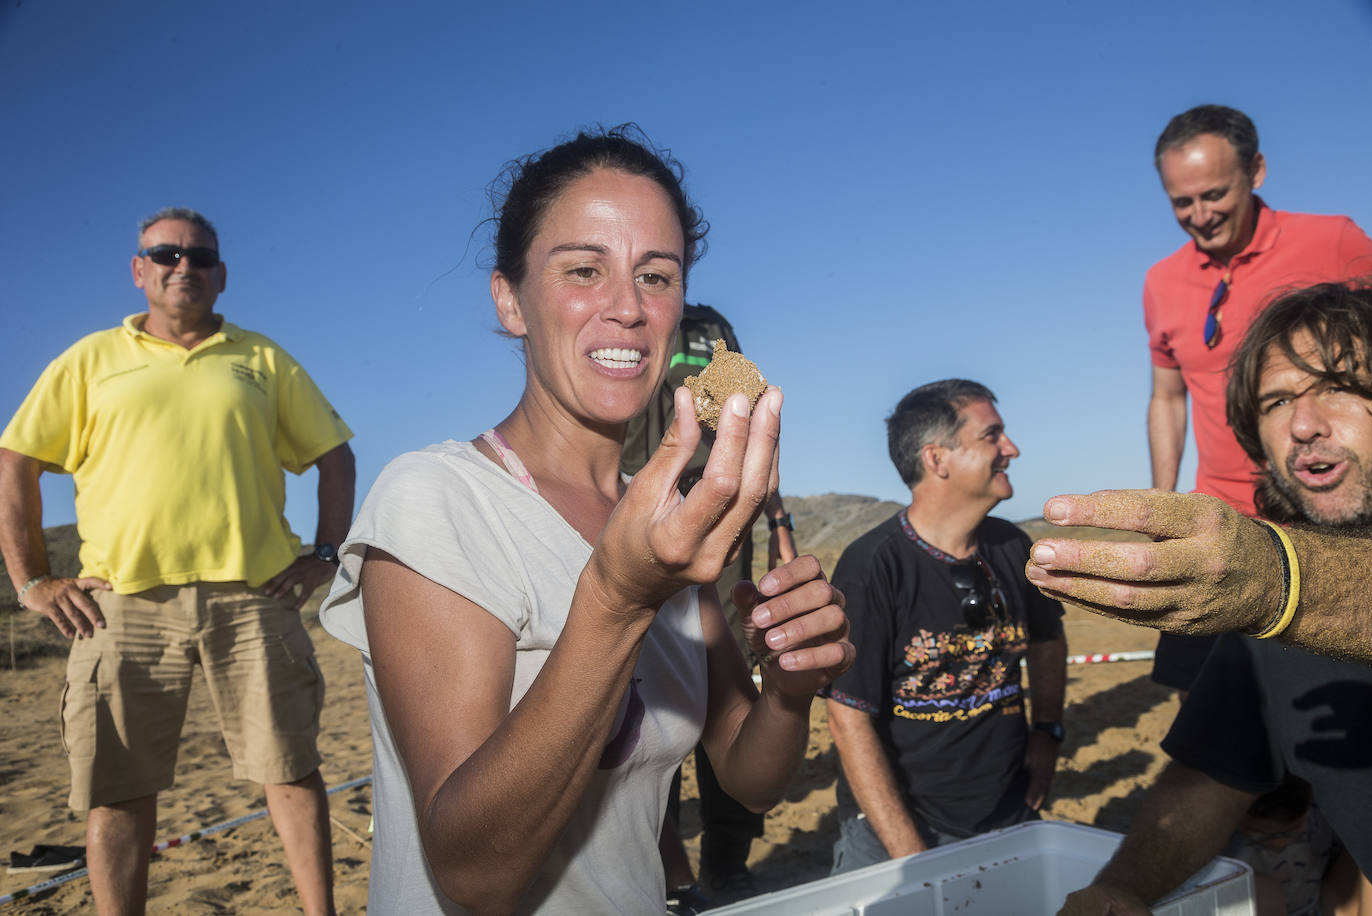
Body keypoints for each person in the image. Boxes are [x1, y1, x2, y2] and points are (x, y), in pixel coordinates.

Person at [318, 127, 853, 915]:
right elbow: (473, 875)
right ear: (510, 300)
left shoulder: (668, 515)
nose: (629, 309)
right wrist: (617, 598)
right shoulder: (437, 500)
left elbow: (748, 775)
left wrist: (789, 692)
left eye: (657, 276)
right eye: (582, 270)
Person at [0, 207, 354, 915]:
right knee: (117, 790)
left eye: (199, 256)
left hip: (253, 598)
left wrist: (323, 555)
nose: (182, 266)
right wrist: (34, 580)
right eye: (164, 254)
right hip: (120, 603)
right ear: (139, 271)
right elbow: (16, 462)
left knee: (291, 771)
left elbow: (335, 456)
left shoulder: (263, 360)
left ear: (221, 275)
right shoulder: (88, 360)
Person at [1056, 282, 1372, 915]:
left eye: (1337, 385)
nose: (1305, 424)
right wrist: (1124, 886)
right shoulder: (1259, 610)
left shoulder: (1270, 582)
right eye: (1278, 400)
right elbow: (1211, 776)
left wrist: (1279, 580)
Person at [1142, 104, 1372, 692]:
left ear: (1258, 171)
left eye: (1214, 194)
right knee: (1202, 708)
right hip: (1217, 517)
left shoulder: (1335, 241)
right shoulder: (1160, 281)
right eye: (1180, 202)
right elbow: (1168, 398)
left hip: (1321, 523)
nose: (1199, 215)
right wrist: (1162, 503)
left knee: (1319, 707)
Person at [823, 380, 1066, 874]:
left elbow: (1047, 639)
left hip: (1009, 817)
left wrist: (1048, 730)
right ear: (938, 460)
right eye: (992, 435)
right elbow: (848, 719)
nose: (1012, 449)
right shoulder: (871, 568)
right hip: (899, 832)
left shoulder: (1013, 548)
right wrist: (913, 860)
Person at [622, 303, 796, 908]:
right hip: (636, 519)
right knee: (646, 697)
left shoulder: (711, 326)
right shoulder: (624, 324)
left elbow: (747, 418)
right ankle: (663, 860)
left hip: (722, 527)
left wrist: (778, 519)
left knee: (725, 685)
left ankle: (728, 859)